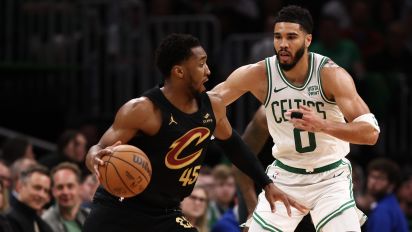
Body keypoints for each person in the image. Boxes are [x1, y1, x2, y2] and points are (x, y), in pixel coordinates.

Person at [83, 33, 306, 232]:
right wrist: (95, 156)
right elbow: (99, 148)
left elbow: (234, 146)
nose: (208, 71)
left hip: (166, 213)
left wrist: (266, 183)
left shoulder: (213, 106)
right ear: (179, 71)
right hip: (119, 209)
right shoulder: (143, 110)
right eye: (201, 64)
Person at [211, 5, 380, 231]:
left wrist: (323, 125)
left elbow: (370, 133)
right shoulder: (259, 73)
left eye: (291, 37)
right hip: (284, 176)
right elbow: (211, 101)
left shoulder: (331, 74)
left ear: (308, 40)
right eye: (278, 37)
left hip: (330, 177)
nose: (283, 44)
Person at [42, 162, 90, 232]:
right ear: (53, 191)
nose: (65, 192)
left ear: (79, 188)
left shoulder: (90, 216)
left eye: (70, 186)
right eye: (60, 187)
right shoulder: (45, 222)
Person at [5, 164, 53, 232]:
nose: (42, 195)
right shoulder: (7, 219)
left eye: (46, 191)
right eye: (37, 188)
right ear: (20, 186)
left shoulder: (42, 224)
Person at [365, 158, 408, 232]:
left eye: (380, 178)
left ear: (391, 185)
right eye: (372, 176)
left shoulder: (383, 210)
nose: (373, 182)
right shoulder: (390, 204)